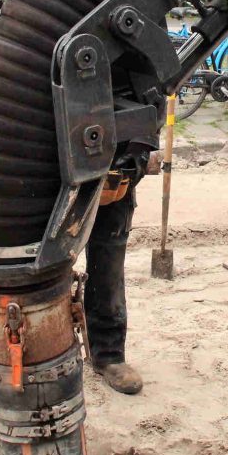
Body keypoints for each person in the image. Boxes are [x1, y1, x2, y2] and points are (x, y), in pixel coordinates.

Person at [83, 139, 155, 395]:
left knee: (107, 260)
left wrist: (134, 158)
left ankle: (108, 353)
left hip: (114, 150)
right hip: (44, 145)